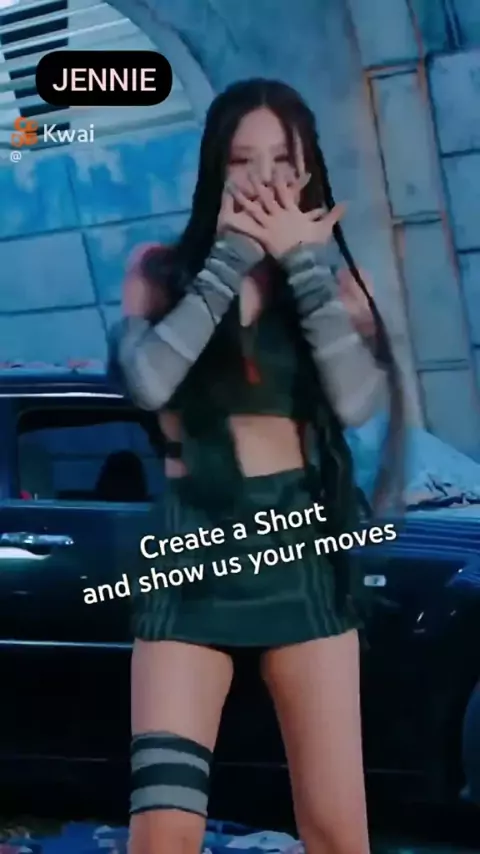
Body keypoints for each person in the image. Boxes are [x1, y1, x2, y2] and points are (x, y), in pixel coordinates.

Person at [109, 78, 405, 854]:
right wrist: (232, 257)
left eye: (283, 160)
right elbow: (148, 384)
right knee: (164, 832)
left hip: (300, 554)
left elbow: (356, 402)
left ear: (307, 171)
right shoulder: (159, 270)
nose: (264, 178)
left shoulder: (341, 286)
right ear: (217, 168)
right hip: (190, 557)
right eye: (244, 160)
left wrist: (302, 266)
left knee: (337, 831)